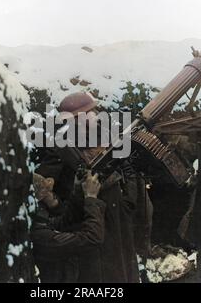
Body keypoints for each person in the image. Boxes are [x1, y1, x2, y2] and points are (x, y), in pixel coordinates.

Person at [34, 92, 148, 282]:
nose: (92, 118)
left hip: (118, 222)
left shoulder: (108, 138)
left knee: (124, 271)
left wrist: (128, 200)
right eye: (84, 116)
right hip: (90, 226)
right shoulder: (63, 149)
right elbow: (44, 188)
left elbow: (127, 167)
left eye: (92, 112)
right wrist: (58, 205)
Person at [31, 171, 106, 283]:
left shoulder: (31, 224)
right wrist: (91, 198)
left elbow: (63, 222)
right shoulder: (39, 236)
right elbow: (92, 238)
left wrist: (78, 190)